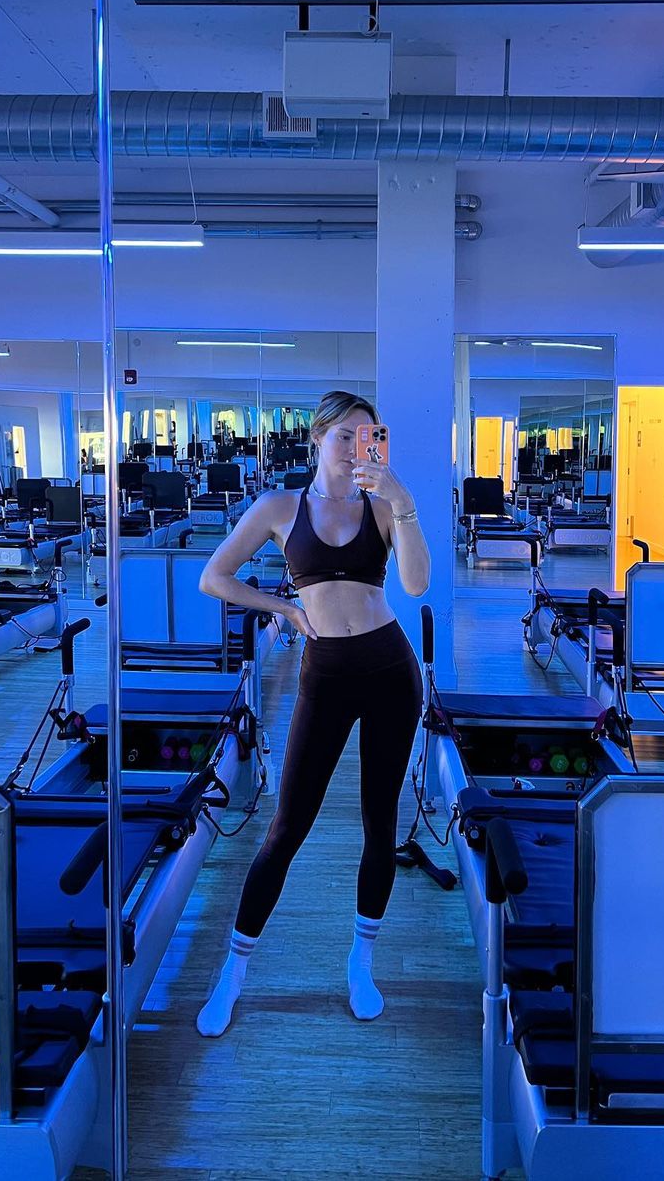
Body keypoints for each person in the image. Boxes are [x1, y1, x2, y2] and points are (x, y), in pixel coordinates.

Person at [195, 390, 430, 1036]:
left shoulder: (383, 507)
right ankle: (232, 973)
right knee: (287, 827)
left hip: (390, 671)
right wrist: (285, 609)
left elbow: (415, 585)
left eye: (367, 437)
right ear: (318, 438)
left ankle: (361, 964)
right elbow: (215, 577)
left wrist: (403, 502)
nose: (356, 448)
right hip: (325, 674)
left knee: (380, 824)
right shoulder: (280, 507)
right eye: (344, 436)